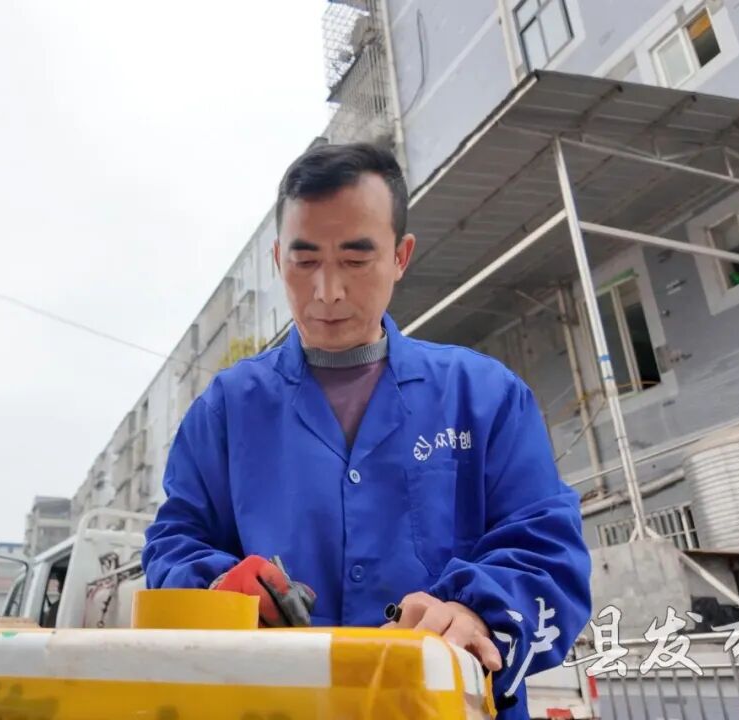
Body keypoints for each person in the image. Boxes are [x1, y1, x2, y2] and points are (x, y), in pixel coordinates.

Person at [142, 142, 592, 715]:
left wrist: (477, 612)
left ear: (401, 256)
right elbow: (174, 541)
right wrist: (216, 586)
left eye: (356, 261)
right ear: (278, 258)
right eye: (305, 262)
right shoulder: (227, 409)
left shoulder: (484, 396)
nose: (327, 291)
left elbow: (548, 551)